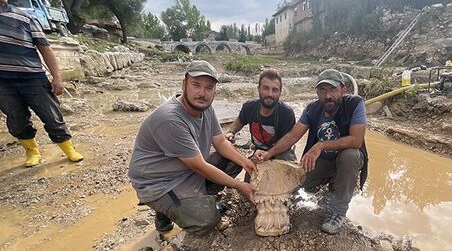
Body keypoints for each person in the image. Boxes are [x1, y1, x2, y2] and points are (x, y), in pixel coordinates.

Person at [128, 60, 257, 234]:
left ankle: (197, 201)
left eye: (209, 88)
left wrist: (245, 162)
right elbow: (199, 166)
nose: (202, 93)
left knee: (232, 159)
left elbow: (220, 141)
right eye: (196, 85)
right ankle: (164, 212)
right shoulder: (170, 119)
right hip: (160, 183)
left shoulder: (206, 109)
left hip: (186, 170)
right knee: (207, 220)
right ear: (184, 85)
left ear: (214, 91)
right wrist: (239, 185)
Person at [255, 69, 368, 235]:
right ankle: (331, 184)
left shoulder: (355, 104)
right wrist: (268, 154)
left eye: (333, 89)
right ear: (317, 92)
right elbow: (293, 136)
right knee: (301, 185)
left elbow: (356, 140)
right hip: (323, 161)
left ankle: (338, 211)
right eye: (323, 90)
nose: (328, 95)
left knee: (350, 155)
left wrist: (320, 146)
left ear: (343, 90)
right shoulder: (312, 109)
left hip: (346, 160)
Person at [0, 0, 83, 167]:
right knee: (16, 119)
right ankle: (32, 151)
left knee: (52, 115)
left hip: (33, 78)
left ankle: (68, 149)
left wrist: (57, 77)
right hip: (2, 83)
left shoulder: (24, 17)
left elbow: (45, 49)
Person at [219, 68, 296, 178]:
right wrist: (231, 132)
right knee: (233, 162)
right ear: (258, 89)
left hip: (280, 152)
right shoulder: (249, 107)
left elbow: (287, 141)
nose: (270, 94)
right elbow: (240, 120)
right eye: (266, 88)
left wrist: (269, 154)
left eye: (275, 90)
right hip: (258, 152)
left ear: (280, 92)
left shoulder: (286, 113)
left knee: (291, 179)